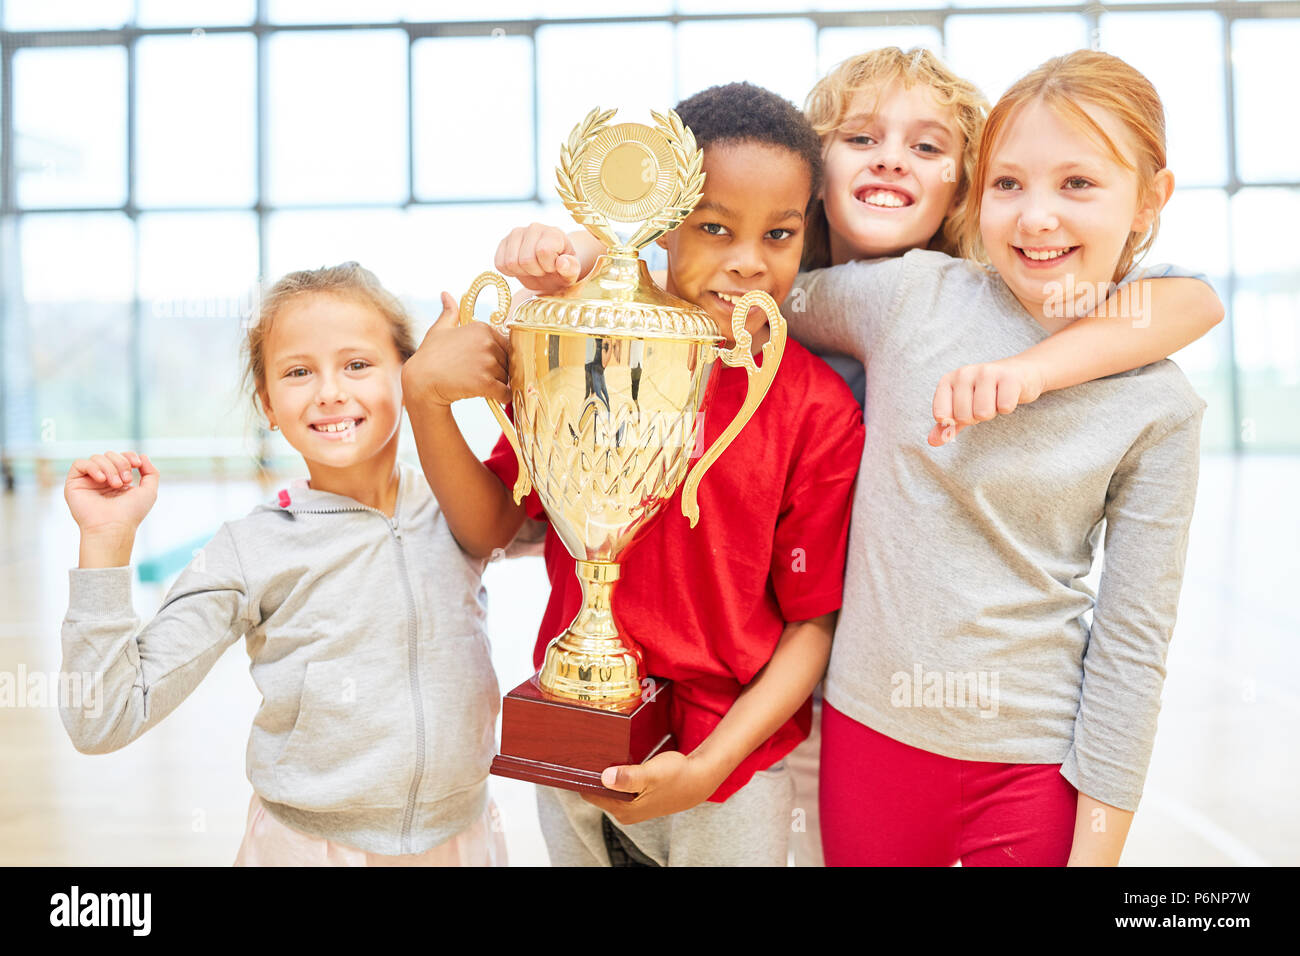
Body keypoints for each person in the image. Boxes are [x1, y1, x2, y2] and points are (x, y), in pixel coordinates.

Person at [404, 82, 865, 866]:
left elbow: (810, 624)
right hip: (575, 734)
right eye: (713, 228)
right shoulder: (588, 351)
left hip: (726, 775)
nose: (748, 263)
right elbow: (489, 526)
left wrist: (712, 765)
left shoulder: (814, 408)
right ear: (659, 223)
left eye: (780, 235)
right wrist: (423, 397)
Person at [791, 49, 1215, 865]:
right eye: (1008, 184)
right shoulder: (914, 297)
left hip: (1034, 761)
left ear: (1150, 199)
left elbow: (1133, 643)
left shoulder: (1160, 404)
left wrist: (1095, 851)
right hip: (867, 732)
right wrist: (606, 260)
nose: (1036, 217)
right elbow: (751, 286)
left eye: (1079, 184)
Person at [59, 262, 506, 866]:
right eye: (299, 372)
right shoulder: (250, 549)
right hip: (307, 850)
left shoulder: (459, 506)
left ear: (409, 371)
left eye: (357, 364)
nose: (329, 391)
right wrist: (106, 546)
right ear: (269, 403)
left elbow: (581, 530)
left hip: (462, 840)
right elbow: (103, 718)